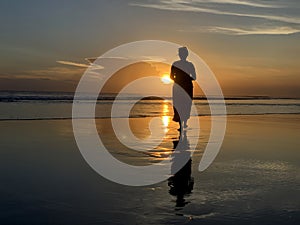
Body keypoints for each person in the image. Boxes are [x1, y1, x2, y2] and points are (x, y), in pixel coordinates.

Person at [170, 47, 196, 130]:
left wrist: (180, 80)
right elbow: (194, 77)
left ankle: (183, 123)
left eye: (183, 54)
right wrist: (185, 79)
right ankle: (182, 123)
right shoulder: (186, 64)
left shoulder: (180, 64)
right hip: (181, 86)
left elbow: (194, 77)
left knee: (184, 104)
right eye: (182, 54)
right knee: (182, 104)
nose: (182, 55)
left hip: (183, 86)